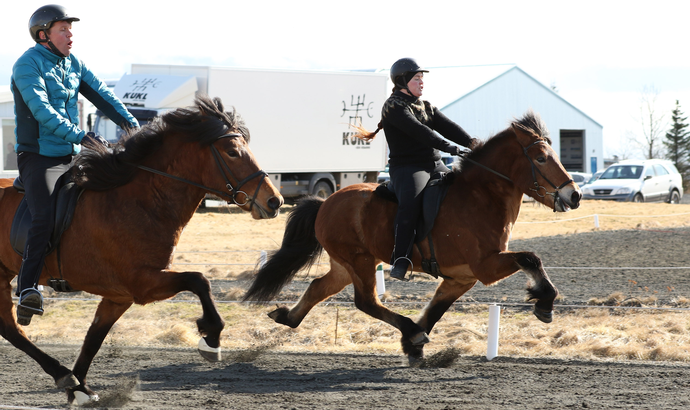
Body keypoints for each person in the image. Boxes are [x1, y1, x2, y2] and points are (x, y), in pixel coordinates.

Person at [11, 4, 139, 325]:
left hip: (71, 154)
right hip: (38, 157)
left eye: (71, 30)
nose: (71, 36)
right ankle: (27, 289)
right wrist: (82, 136)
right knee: (43, 215)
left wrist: (135, 129)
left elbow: (105, 97)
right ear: (44, 36)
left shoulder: (74, 64)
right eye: (63, 30)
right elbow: (43, 112)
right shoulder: (26, 66)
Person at [356, 58, 479, 280]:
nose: (421, 82)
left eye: (422, 78)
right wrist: (450, 148)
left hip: (434, 163)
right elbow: (420, 132)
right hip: (408, 168)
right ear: (403, 81)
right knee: (410, 205)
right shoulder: (393, 106)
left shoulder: (426, 105)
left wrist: (471, 143)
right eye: (417, 78)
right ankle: (401, 258)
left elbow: (447, 126)